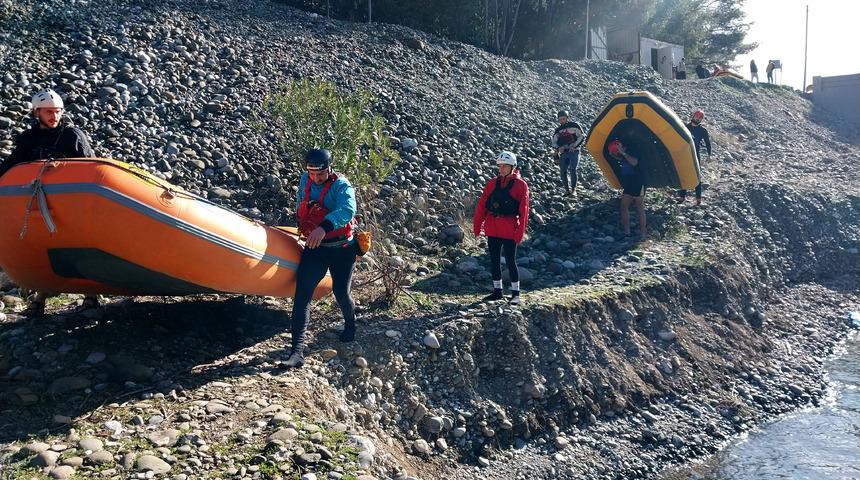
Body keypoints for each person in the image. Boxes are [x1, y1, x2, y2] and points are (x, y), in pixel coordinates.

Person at [0, 89, 100, 317]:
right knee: (45, 251)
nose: (54, 116)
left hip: (70, 205)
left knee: (80, 246)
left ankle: (92, 295)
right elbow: (11, 166)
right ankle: (39, 299)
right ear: (37, 112)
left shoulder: (71, 135)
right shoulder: (28, 140)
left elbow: (89, 166)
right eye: (48, 112)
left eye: (57, 112)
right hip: (39, 205)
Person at [284, 148, 358, 368]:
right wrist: (304, 223)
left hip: (342, 249)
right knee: (302, 294)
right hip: (316, 247)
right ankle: (297, 352)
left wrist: (323, 227)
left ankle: (351, 325)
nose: (316, 178)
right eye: (312, 173)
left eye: (321, 174)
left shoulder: (342, 186)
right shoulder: (305, 180)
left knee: (341, 293)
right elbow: (300, 201)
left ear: (329, 168)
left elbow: (347, 210)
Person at [473, 151, 529, 305]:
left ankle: (515, 293)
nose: (502, 168)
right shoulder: (492, 183)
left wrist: (519, 233)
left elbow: (524, 211)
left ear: (513, 167)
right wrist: (477, 227)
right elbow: (482, 206)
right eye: (500, 166)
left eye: (505, 166)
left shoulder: (521, 185)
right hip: (493, 227)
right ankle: (497, 291)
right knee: (494, 260)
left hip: (509, 228)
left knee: (511, 261)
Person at [607, 140, 646, 239]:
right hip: (628, 183)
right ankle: (627, 232)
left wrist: (623, 153)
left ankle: (642, 233)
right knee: (623, 206)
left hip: (638, 181)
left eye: (616, 151)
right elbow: (622, 160)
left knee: (639, 208)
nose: (617, 153)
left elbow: (634, 162)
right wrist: (615, 156)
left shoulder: (632, 150)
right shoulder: (621, 155)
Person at [676, 110, 712, 205]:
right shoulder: (685, 127)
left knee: (697, 175)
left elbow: (707, 142)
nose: (698, 118)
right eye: (697, 116)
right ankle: (682, 196)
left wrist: (709, 154)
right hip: (685, 154)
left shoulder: (703, 130)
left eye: (700, 117)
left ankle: (698, 198)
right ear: (693, 116)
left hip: (695, 155)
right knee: (684, 175)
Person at [551, 110, 585, 196]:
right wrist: (559, 148)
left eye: (563, 119)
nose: (562, 121)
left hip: (574, 151)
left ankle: (574, 189)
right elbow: (554, 142)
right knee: (563, 171)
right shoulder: (558, 130)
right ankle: (566, 190)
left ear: (567, 118)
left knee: (573, 169)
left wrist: (575, 145)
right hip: (564, 153)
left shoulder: (574, 126)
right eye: (560, 119)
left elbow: (581, 136)